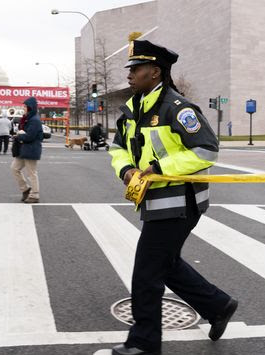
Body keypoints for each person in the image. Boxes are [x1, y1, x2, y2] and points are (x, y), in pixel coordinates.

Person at [105, 39, 237, 355]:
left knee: (146, 273)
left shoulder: (177, 108)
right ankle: (218, 306)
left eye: (136, 69)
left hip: (180, 203)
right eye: (130, 69)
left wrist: (159, 167)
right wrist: (125, 170)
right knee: (166, 264)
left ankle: (144, 343)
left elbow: (207, 150)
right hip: (154, 201)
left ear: (155, 71)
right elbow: (117, 148)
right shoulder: (133, 110)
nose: (130, 74)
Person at [11, 97, 43, 204]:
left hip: (31, 149)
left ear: (30, 107)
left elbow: (30, 137)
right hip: (23, 149)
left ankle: (35, 195)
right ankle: (25, 189)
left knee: (31, 173)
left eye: (25, 106)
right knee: (14, 168)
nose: (23, 108)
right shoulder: (27, 118)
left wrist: (19, 135)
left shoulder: (34, 120)